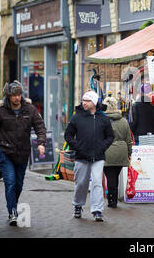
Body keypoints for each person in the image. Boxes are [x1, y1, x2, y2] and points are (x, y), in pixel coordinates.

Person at [0, 81, 47, 226]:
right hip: (6, 152)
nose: (17, 98)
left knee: (19, 185)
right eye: (14, 95)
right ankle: (12, 212)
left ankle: (13, 204)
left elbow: (40, 126)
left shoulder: (30, 109)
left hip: (23, 152)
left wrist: (41, 143)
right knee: (10, 183)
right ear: (8, 96)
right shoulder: (0, 111)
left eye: (19, 94)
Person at [64, 90, 114, 222]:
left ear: (95, 102)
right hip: (81, 156)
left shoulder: (103, 118)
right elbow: (68, 135)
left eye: (87, 101)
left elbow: (110, 136)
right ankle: (78, 205)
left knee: (97, 182)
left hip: (98, 157)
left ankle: (97, 210)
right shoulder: (77, 117)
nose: (84, 103)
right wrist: (78, 146)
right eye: (83, 100)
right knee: (81, 183)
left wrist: (102, 147)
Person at [102, 96, 132, 208]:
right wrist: (129, 153)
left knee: (110, 177)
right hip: (121, 151)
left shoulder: (102, 120)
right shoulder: (124, 121)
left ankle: (111, 200)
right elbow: (128, 139)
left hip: (107, 151)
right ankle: (113, 199)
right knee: (115, 176)